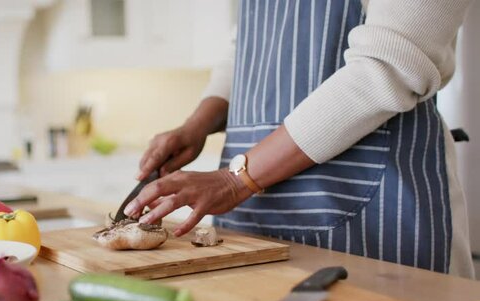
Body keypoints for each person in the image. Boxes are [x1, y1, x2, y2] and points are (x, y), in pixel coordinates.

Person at [124, 0, 475, 278]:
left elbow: (388, 66)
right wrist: (197, 125)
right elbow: (246, 45)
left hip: (373, 223)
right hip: (252, 217)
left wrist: (236, 179)